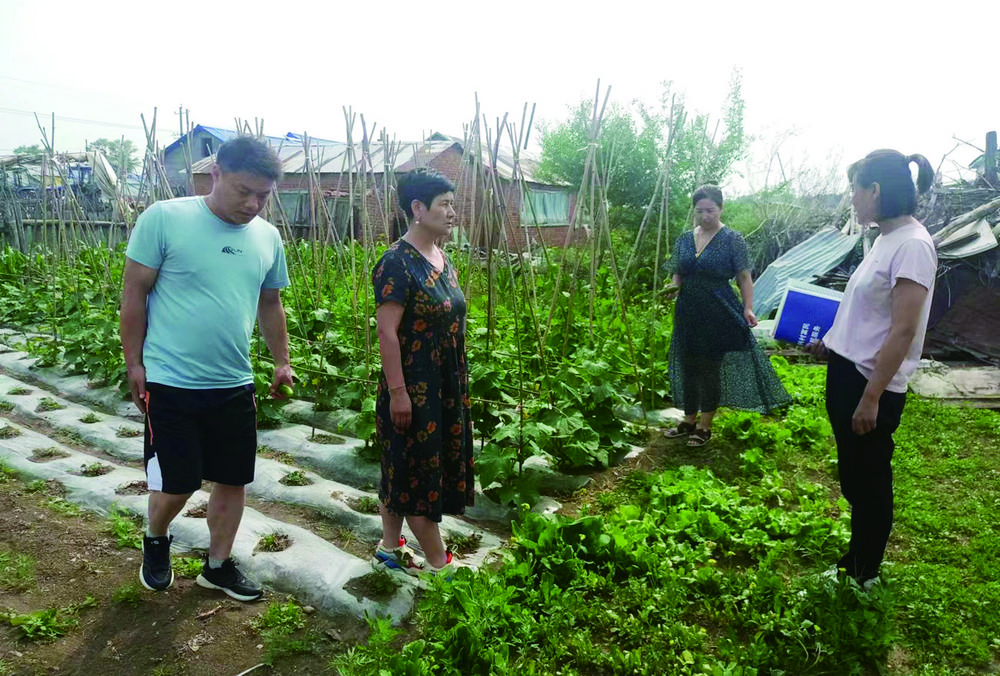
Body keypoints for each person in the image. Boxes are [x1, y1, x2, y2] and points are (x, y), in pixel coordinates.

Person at [120, 136, 293, 601]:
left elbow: (270, 301)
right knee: (177, 483)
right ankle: (156, 536)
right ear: (215, 174)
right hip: (170, 381)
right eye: (244, 191)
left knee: (233, 479)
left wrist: (281, 361)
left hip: (234, 383)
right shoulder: (165, 218)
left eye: (263, 195)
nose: (253, 204)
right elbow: (134, 292)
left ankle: (217, 566)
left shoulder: (267, 237)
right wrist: (133, 362)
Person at [807, 150, 937, 589]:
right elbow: (867, 312)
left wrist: (871, 397)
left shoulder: (914, 246)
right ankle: (856, 560)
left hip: (869, 381)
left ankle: (865, 574)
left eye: (855, 190)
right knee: (855, 477)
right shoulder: (886, 237)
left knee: (870, 481)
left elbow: (902, 331)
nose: (853, 200)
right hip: (849, 370)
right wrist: (832, 341)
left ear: (875, 191)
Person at [370, 168, 473, 576]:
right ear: (417, 208)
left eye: (452, 204)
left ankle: (389, 547)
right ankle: (439, 563)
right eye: (444, 204)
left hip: (444, 382)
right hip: (414, 386)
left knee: (401, 466)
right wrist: (398, 392)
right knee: (417, 472)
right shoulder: (395, 262)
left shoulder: (442, 258)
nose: (452, 212)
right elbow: (386, 332)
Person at [665, 185, 791, 446]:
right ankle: (688, 421)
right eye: (699, 211)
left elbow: (744, 276)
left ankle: (705, 427)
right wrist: (672, 287)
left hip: (718, 311)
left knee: (709, 368)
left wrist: (748, 307)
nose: (705, 216)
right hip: (688, 311)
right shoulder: (684, 240)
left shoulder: (733, 239)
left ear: (721, 208)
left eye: (710, 210)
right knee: (689, 366)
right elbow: (678, 271)